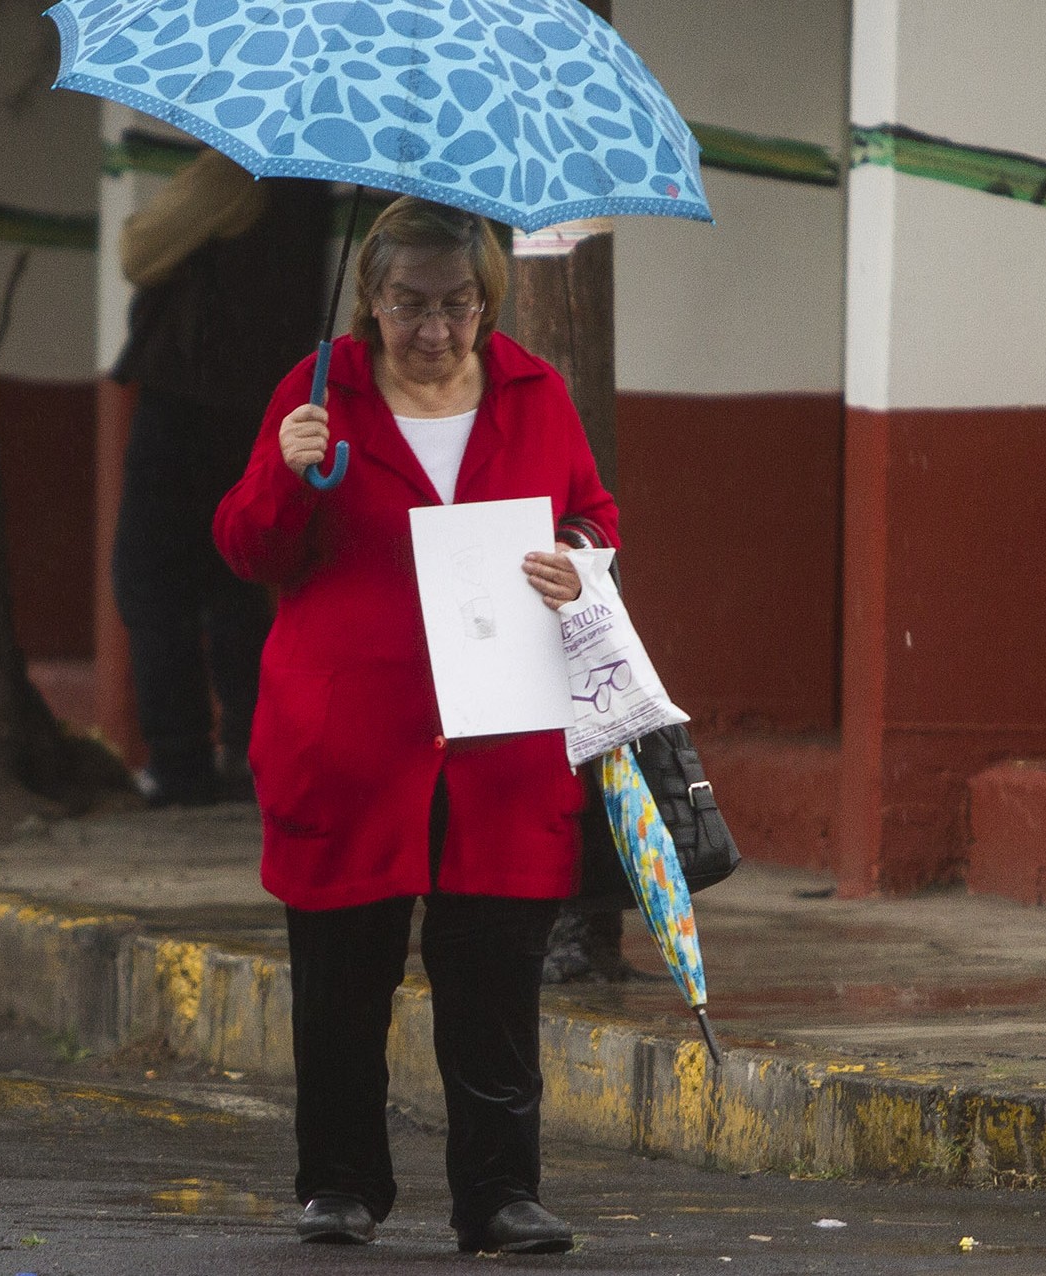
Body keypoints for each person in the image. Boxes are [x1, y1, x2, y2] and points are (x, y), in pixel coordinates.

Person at [211, 197, 618, 1255]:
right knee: (341, 975)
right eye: (408, 306)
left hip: (500, 738)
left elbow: (590, 514)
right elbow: (248, 549)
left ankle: (498, 1192)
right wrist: (283, 470)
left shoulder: (533, 391)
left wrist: (574, 556)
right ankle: (338, 1183)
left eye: (455, 305)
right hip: (347, 734)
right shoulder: (317, 396)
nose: (433, 330)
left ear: (487, 302)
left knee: (492, 982)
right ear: (369, 302)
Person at [111, 150, 328, 806]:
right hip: (260, 405)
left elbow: (136, 249)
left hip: (187, 402)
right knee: (236, 584)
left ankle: (178, 761)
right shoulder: (309, 185)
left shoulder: (236, 170)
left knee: (151, 584)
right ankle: (244, 745)